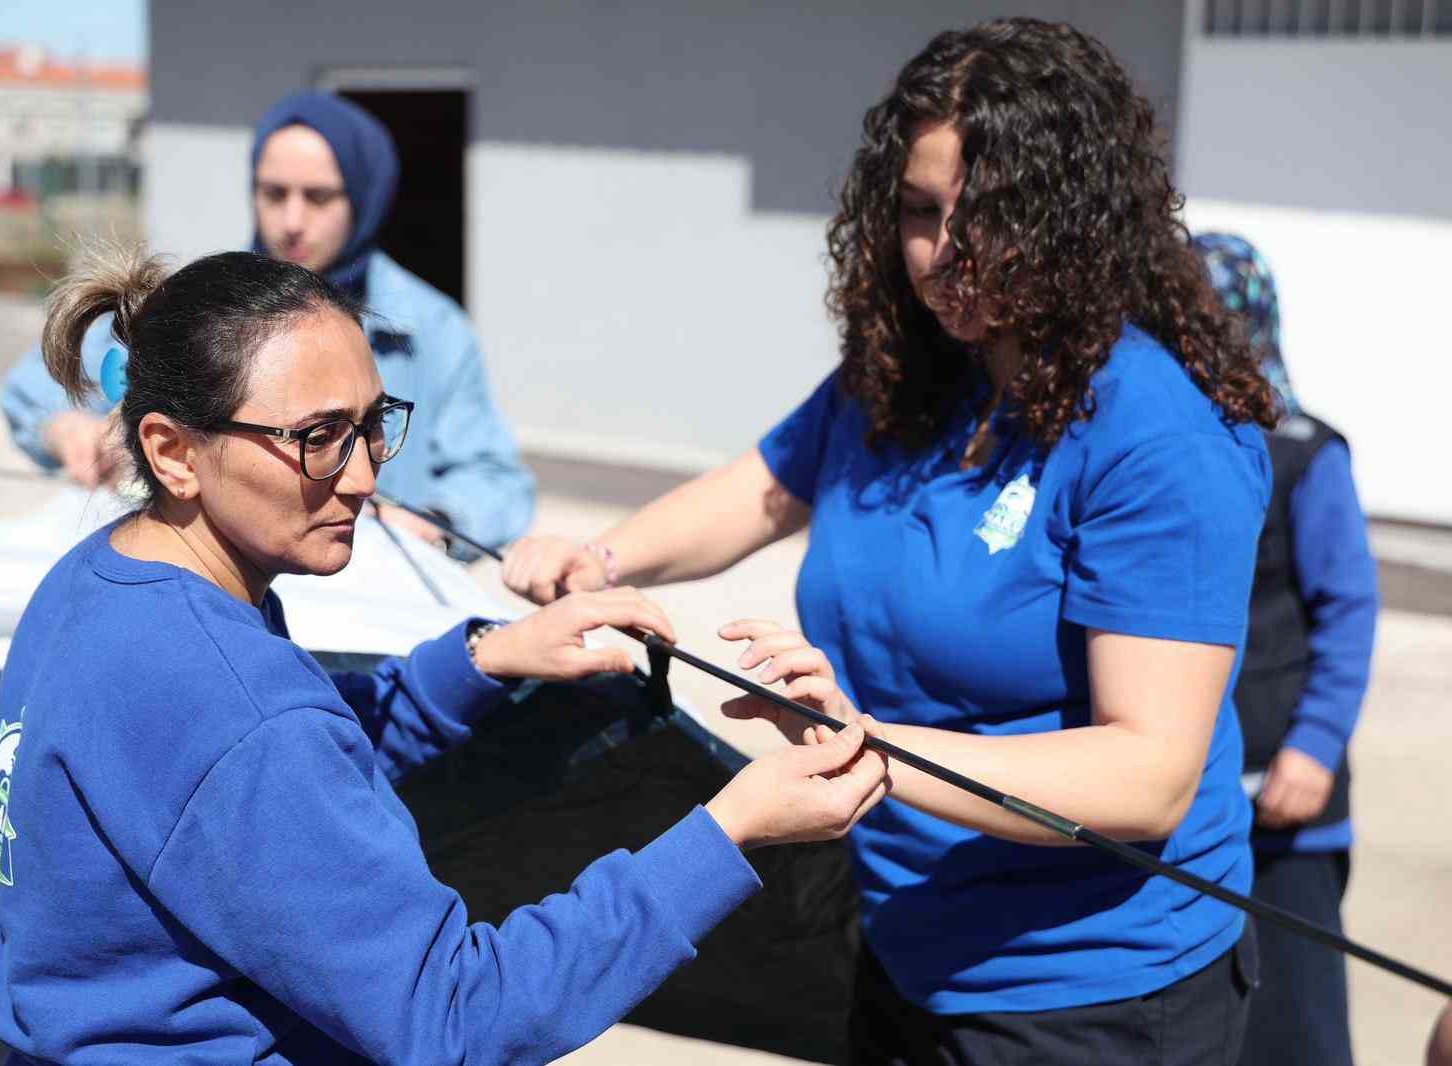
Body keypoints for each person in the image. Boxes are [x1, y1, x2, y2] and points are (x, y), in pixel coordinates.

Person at [502, 17, 1279, 1065]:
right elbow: (764, 487)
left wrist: (868, 747)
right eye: (918, 213)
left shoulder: (1158, 435)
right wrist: (601, 562)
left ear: (1076, 216)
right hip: (904, 942)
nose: (944, 256)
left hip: (1090, 993)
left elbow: (1147, 777)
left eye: (988, 218)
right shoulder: (913, 373)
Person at [0, 246, 891, 1064]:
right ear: (173, 452)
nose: (368, 474)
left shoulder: (95, 587)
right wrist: (729, 831)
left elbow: (268, 783)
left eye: (374, 423)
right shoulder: (235, 705)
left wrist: (489, 657)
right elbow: (453, 1016)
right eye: (317, 438)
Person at [0, 90, 534, 560]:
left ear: (367, 198)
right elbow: (36, 388)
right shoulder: (208, 304)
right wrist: (67, 429)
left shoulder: (431, 327)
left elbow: (497, 482)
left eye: (319, 197)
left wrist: (431, 524)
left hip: (366, 609)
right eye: (274, 194)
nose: (292, 220)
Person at [1194, 233, 1380, 1066]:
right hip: (1188, 811)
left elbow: (1349, 611)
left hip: (1284, 812)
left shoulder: (1305, 453)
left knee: (1295, 1032)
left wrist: (1314, 748)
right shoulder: (1159, 445)